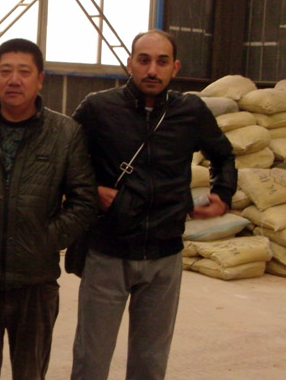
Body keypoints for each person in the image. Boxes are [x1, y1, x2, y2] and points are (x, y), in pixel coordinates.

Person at [70, 29, 237, 380]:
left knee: (150, 364)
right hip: (108, 252)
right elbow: (64, 161)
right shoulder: (98, 108)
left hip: (165, 256)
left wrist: (223, 194)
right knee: (91, 362)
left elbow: (223, 155)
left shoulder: (191, 111)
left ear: (175, 68)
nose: (152, 70)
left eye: (162, 62)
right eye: (143, 60)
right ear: (130, 63)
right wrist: (92, 190)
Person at [0, 38, 98, 380]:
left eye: (24, 72)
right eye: (5, 71)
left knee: (30, 374)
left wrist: (46, 240)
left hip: (36, 284)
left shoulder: (65, 133)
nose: (14, 80)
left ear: (40, 79)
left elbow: (84, 200)